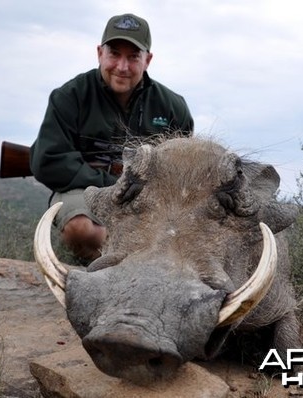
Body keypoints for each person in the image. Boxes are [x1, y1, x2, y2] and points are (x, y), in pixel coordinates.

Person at [30, 13, 194, 261]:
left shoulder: (173, 106)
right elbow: (48, 161)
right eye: (114, 54)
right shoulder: (69, 96)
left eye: (133, 57)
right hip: (85, 190)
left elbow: (183, 172)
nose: (122, 67)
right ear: (99, 53)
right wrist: (111, 182)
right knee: (80, 229)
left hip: (147, 198)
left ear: (148, 60)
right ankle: (128, 260)